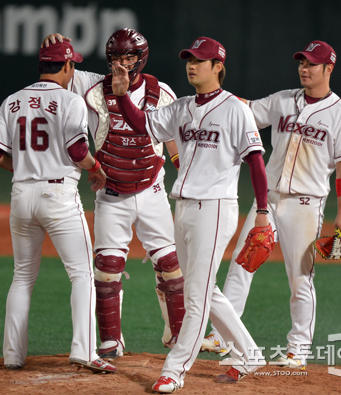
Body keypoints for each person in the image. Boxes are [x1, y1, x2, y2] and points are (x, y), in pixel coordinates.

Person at [111, 36, 269, 392]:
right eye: (189, 59)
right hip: (182, 208)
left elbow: (256, 162)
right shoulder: (181, 107)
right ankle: (250, 353)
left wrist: (262, 212)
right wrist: (122, 95)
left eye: (200, 60)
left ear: (218, 67)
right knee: (203, 289)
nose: (191, 65)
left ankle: (175, 369)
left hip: (214, 210)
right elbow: (142, 125)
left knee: (193, 296)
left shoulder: (235, 109)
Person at [203, 40, 341, 369]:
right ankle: (224, 336)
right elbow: (247, 108)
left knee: (300, 277)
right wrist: (215, 93)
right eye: (301, 63)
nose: (304, 68)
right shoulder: (283, 100)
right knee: (242, 263)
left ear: (328, 69)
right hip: (269, 201)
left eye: (312, 64)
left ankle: (298, 350)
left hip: (306, 205)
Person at [42, 29, 185, 361]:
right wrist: (56, 46)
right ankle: (110, 340)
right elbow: (59, 71)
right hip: (110, 192)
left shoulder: (161, 92)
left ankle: (177, 333)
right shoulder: (91, 86)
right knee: (107, 266)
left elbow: (173, 139)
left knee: (170, 264)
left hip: (152, 189)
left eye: (129, 57)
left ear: (141, 58)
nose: (122, 63)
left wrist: (183, 169)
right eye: (116, 58)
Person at [0, 40, 116, 373]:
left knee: (22, 277)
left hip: (21, 197)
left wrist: (24, 168)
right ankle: (84, 351)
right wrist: (96, 169)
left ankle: (13, 356)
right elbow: (76, 151)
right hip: (58, 196)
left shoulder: (12, 101)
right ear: (68, 67)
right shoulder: (70, 100)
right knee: (82, 274)